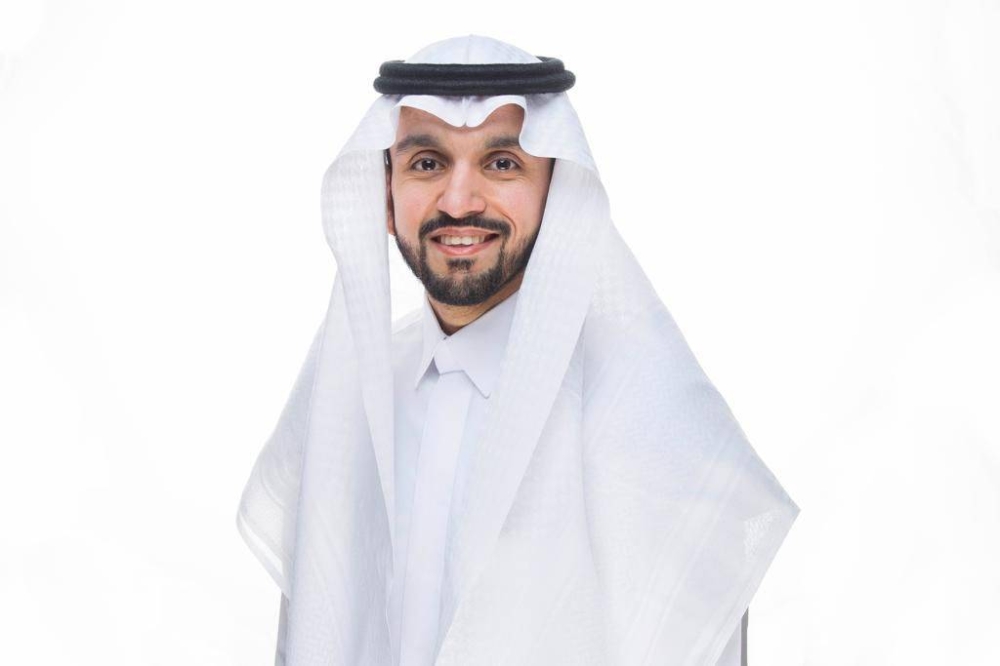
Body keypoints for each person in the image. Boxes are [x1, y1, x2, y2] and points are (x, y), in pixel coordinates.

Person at [237, 35, 799, 666]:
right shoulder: (344, 402)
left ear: (556, 195)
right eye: (427, 162)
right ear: (385, 195)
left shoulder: (644, 411)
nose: (458, 202)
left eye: (502, 163)